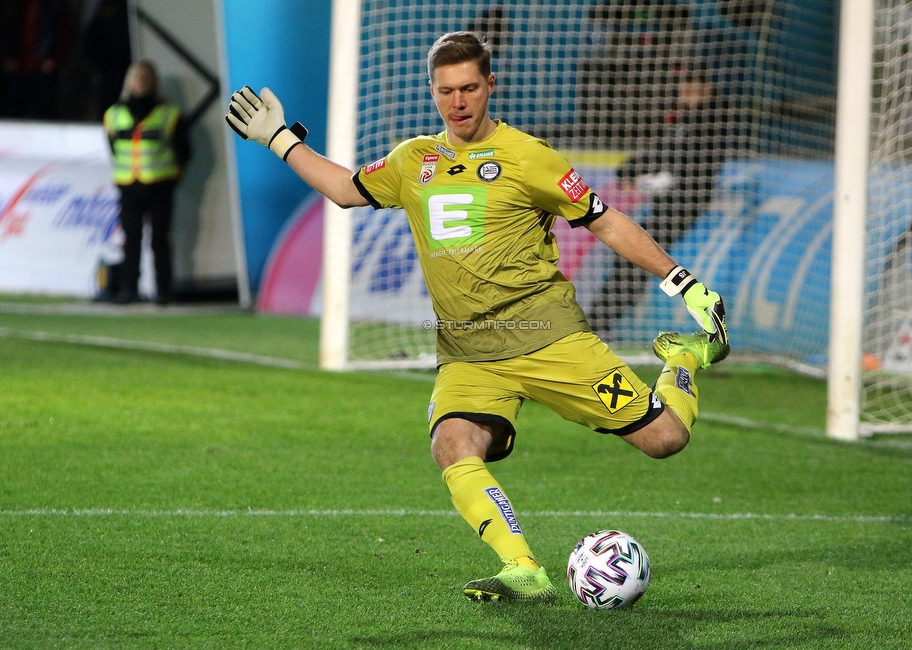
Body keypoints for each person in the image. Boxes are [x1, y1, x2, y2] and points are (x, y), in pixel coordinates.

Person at [226, 32, 729, 602]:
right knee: (452, 444)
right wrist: (277, 139)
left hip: (548, 337)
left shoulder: (530, 157)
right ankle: (523, 570)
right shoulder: (413, 160)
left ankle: (683, 357)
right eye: (446, 91)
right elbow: (344, 189)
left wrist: (679, 279)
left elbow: (605, 220)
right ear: (433, 92)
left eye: (469, 88)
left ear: (491, 85)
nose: (458, 102)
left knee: (666, 439)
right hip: (468, 352)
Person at [589, 66, 732, 339]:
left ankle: (597, 327)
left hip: (687, 201)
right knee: (629, 257)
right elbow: (658, 152)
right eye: (685, 91)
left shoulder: (712, 122)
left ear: (707, 92)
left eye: (695, 92)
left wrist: (663, 179)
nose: (689, 97)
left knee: (636, 260)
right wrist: (631, 171)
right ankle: (598, 325)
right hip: (669, 202)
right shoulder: (681, 123)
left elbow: (697, 165)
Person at [104, 60, 190, 305]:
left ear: (153, 81)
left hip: (160, 185)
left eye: (145, 77)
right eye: (136, 76)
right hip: (128, 186)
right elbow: (113, 148)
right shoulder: (114, 114)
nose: (140, 81)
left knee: (160, 240)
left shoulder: (168, 113)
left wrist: (173, 177)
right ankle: (128, 290)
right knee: (131, 240)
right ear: (128, 81)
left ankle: (163, 291)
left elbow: (183, 151)